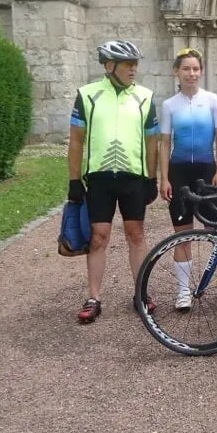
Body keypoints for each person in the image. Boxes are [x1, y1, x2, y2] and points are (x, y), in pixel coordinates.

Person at [68, 40, 160, 323]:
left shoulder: (145, 96)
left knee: (136, 235)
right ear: (109, 66)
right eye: (127, 65)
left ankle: (140, 293)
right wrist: (74, 180)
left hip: (133, 177)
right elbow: (76, 141)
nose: (133, 69)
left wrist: (152, 178)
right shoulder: (87, 95)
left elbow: (152, 141)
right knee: (99, 237)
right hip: (99, 178)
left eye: (135, 64)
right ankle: (94, 297)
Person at [159, 47, 217, 310]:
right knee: (182, 233)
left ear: (201, 72)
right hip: (179, 173)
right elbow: (165, 143)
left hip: (206, 171)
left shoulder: (212, 100)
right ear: (176, 72)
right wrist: (164, 178)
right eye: (186, 69)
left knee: (216, 229)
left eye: (196, 69)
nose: (192, 73)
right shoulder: (169, 105)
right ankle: (183, 290)